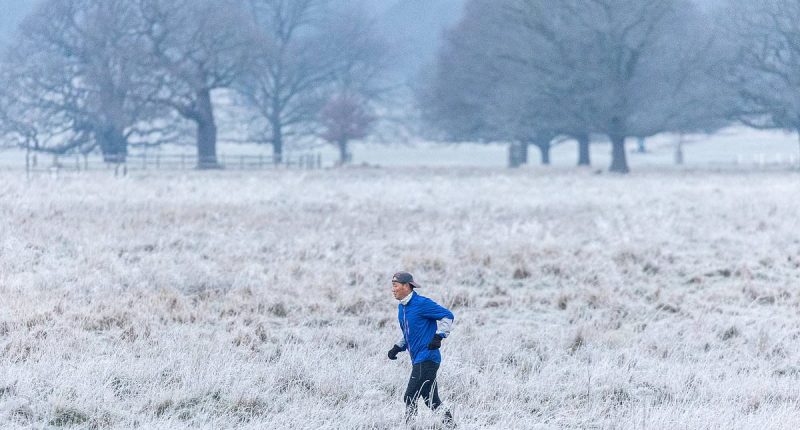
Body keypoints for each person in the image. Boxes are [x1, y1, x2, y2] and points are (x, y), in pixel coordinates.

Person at [387, 271, 456, 426]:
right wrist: (397, 347)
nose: (393, 289)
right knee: (431, 400)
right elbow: (409, 332)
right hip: (418, 359)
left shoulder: (422, 303)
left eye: (395, 286)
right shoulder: (402, 308)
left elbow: (447, 315)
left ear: (406, 286)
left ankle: (409, 426)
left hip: (428, 358)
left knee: (409, 396)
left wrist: (439, 336)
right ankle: (452, 426)